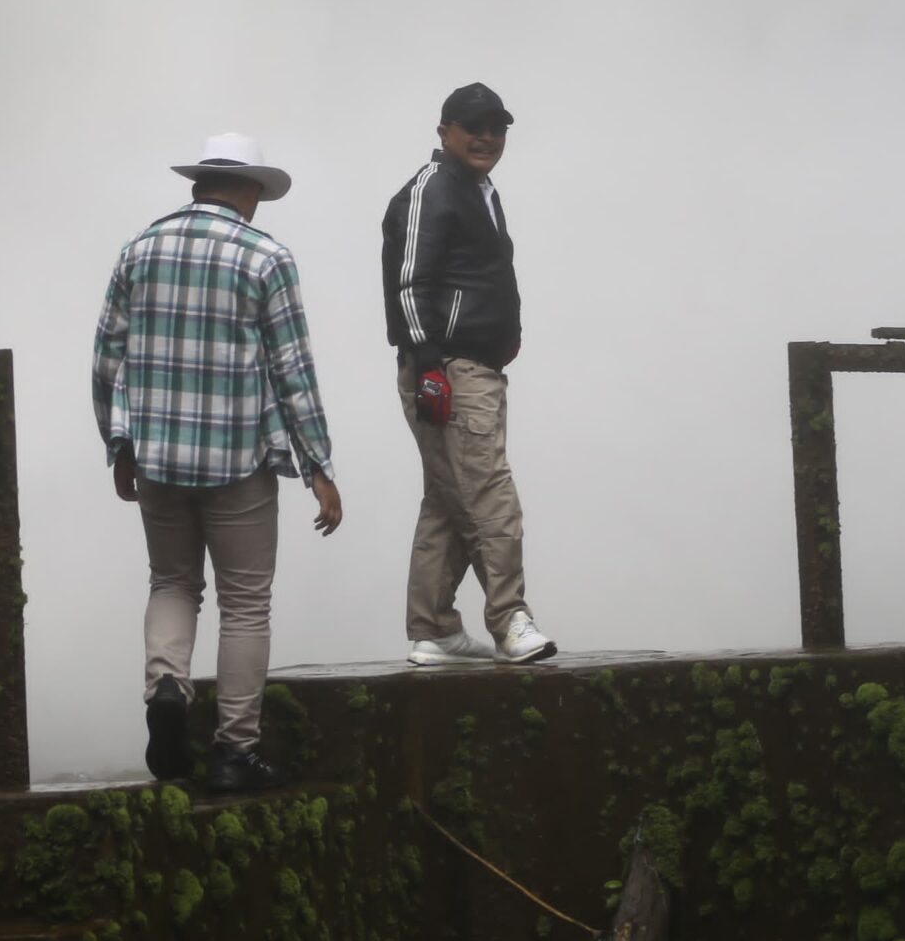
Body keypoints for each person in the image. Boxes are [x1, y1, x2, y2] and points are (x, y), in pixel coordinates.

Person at [93, 132, 343, 794]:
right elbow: (293, 370)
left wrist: (118, 444)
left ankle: (167, 689)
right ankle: (236, 748)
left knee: (172, 580)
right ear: (248, 191)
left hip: (159, 458)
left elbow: (107, 357)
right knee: (244, 602)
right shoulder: (265, 257)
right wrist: (317, 464)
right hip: (238, 461)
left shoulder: (139, 249)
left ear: (200, 184)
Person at [380, 83, 557, 667]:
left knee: (448, 500)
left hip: (470, 365)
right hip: (449, 368)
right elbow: (411, 282)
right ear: (443, 132)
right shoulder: (433, 189)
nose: (486, 137)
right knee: (490, 496)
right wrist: (431, 367)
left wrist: (504, 336)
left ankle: (432, 628)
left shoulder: (477, 190)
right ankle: (511, 621)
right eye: (472, 126)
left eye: (497, 128)